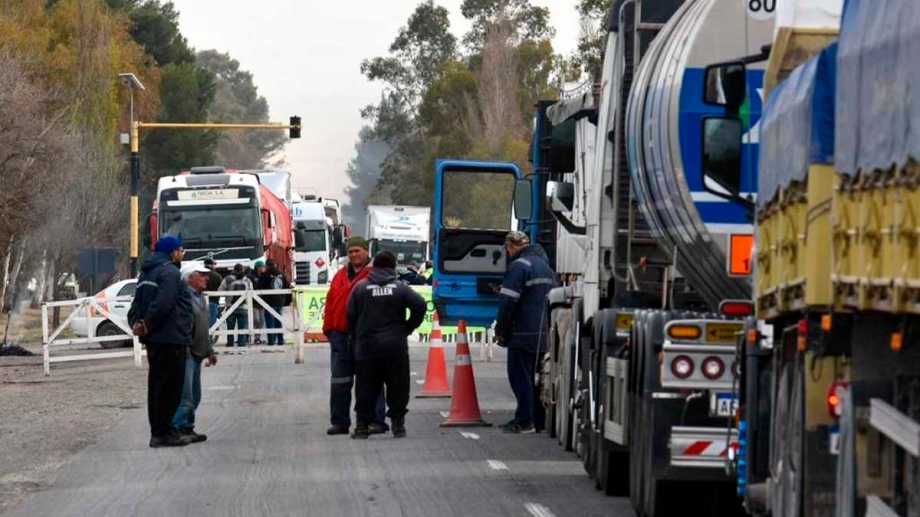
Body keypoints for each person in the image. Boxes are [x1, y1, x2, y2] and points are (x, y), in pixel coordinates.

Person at [347, 251, 427, 439]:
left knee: (365, 387)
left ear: (374, 266)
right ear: (393, 267)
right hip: (395, 347)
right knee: (398, 386)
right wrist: (408, 327)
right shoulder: (400, 288)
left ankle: (361, 427)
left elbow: (350, 314)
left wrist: (357, 335)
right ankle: (398, 425)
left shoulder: (360, 287)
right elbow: (420, 305)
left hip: (367, 348)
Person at [128, 235, 194, 448]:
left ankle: (161, 430)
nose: (182, 254)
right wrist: (148, 322)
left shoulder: (146, 273)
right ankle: (163, 433)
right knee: (171, 388)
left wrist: (138, 323)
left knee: (157, 386)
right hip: (171, 337)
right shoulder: (170, 272)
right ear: (172, 252)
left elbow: (136, 303)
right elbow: (163, 303)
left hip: (155, 339)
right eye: (180, 250)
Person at [322, 236, 387, 435]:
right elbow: (331, 302)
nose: (353, 254)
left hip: (366, 337)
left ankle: (375, 421)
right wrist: (329, 329)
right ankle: (340, 422)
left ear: (367, 251)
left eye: (357, 250)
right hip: (340, 336)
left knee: (371, 380)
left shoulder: (377, 275)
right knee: (339, 381)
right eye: (350, 251)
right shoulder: (340, 275)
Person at [495, 231, 556, 434]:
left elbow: (508, 303)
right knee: (538, 380)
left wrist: (501, 330)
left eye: (507, 249)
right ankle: (538, 420)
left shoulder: (518, 266)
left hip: (522, 332)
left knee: (520, 378)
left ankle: (524, 421)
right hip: (544, 333)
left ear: (511, 246)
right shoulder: (546, 267)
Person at [172, 264, 218, 443]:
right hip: (187, 353)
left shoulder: (201, 298)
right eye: (202, 275)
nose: (207, 278)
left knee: (195, 395)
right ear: (189, 278)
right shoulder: (184, 298)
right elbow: (182, 326)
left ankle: (187, 427)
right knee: (186, 397)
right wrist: (185, 348)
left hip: (197, 353)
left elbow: (203, 328)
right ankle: (175, 428)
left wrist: (209, 350)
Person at [219, 264, 253, 347]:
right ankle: (241, 344)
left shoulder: (228, 279)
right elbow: (251, 292)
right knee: (242, 328)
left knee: (230, 328)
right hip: (244, 307)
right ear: (243, 270)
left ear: (234, 270)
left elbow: (220, 291)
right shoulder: (247, 280)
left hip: (231, 307)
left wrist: (226, 297)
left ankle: (230, 344)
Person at [260, 259, 290, 346]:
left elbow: (259, 286)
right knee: (278, 321)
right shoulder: (281, 274)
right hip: (280, 301)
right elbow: (287, 286)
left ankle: (271, 341)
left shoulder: (265, 275)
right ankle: (280, 340)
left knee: (270, 322)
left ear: (267, 266)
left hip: (269, 302)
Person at [249, 261, 267, 345]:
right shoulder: (251, 276)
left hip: (262, 301)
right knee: (256, 319)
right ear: (258, 267)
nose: (264, 268)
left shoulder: (264, 276)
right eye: (262, 267)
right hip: (253, 301)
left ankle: (257, 337)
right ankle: (251, 336)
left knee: (262, 320)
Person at [202, 259, 223, 331]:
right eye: (214, 264)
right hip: (214, 301)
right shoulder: (217, 276)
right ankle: (209, 337)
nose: (214, 266)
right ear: (211, 265)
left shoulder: (200, 275)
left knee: (201, 322)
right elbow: (221, 288)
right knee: (212, 323)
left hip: (201, 301)